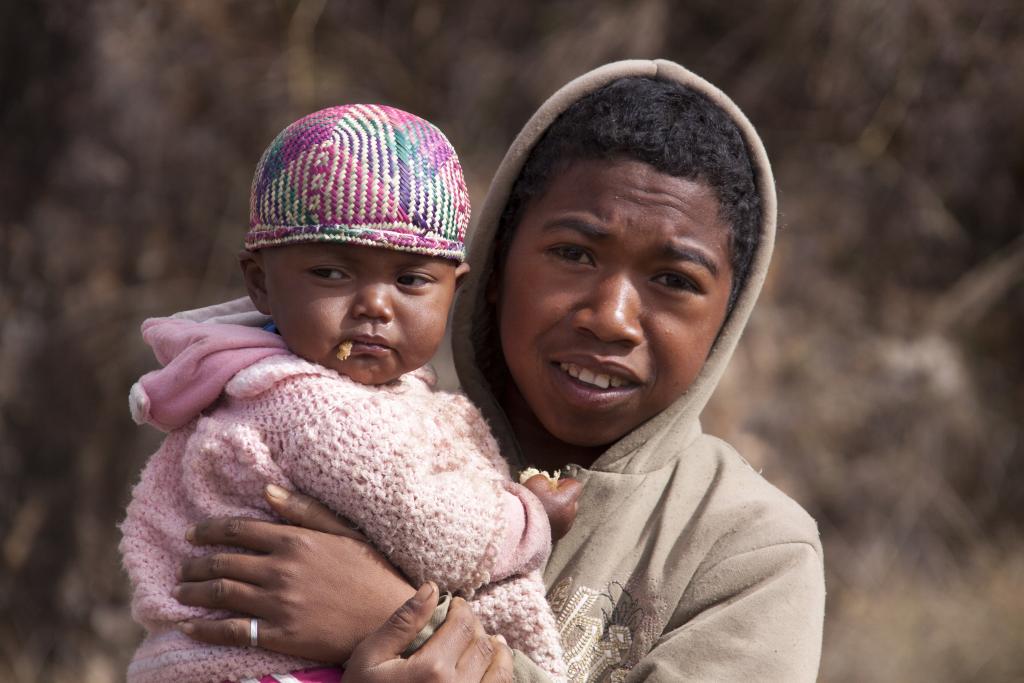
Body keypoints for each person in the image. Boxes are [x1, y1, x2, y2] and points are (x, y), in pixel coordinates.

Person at [168, 60, 827, 681]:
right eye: (573, 253)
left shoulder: (750, 549)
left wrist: (390, 619)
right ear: (492, 267)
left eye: (673, 279)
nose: (611, 317)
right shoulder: (372, 440)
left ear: (728, 315)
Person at [120, 104, 572, 683]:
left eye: (411, 279)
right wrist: (531, 517)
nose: (375, 307)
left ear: (452, 290)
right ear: (260, 282)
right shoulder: (308, 404)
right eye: (332, 273)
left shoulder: (313, 385)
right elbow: (436, 534)